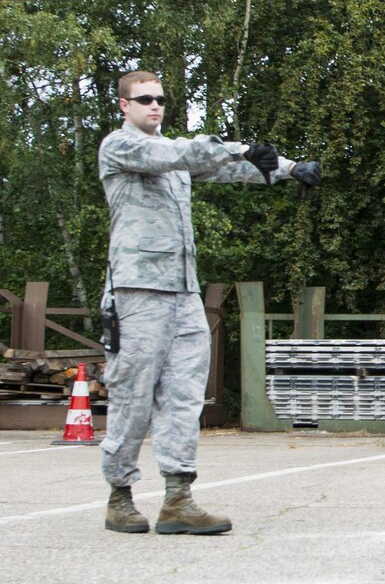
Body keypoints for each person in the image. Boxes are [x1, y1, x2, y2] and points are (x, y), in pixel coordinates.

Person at [98, 70, 320, 535]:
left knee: (184, 396)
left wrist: (288, 168)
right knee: (132, 395)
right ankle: (120, 496)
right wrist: (240, 147)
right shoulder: (121, 147)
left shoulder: (177, 155)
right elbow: (182, 154)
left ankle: (178, 498)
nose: (154, 106)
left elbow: (229, 168)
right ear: (124, 105)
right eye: (144, 99)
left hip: (183, 293)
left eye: (160, 99)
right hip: (136, 293)